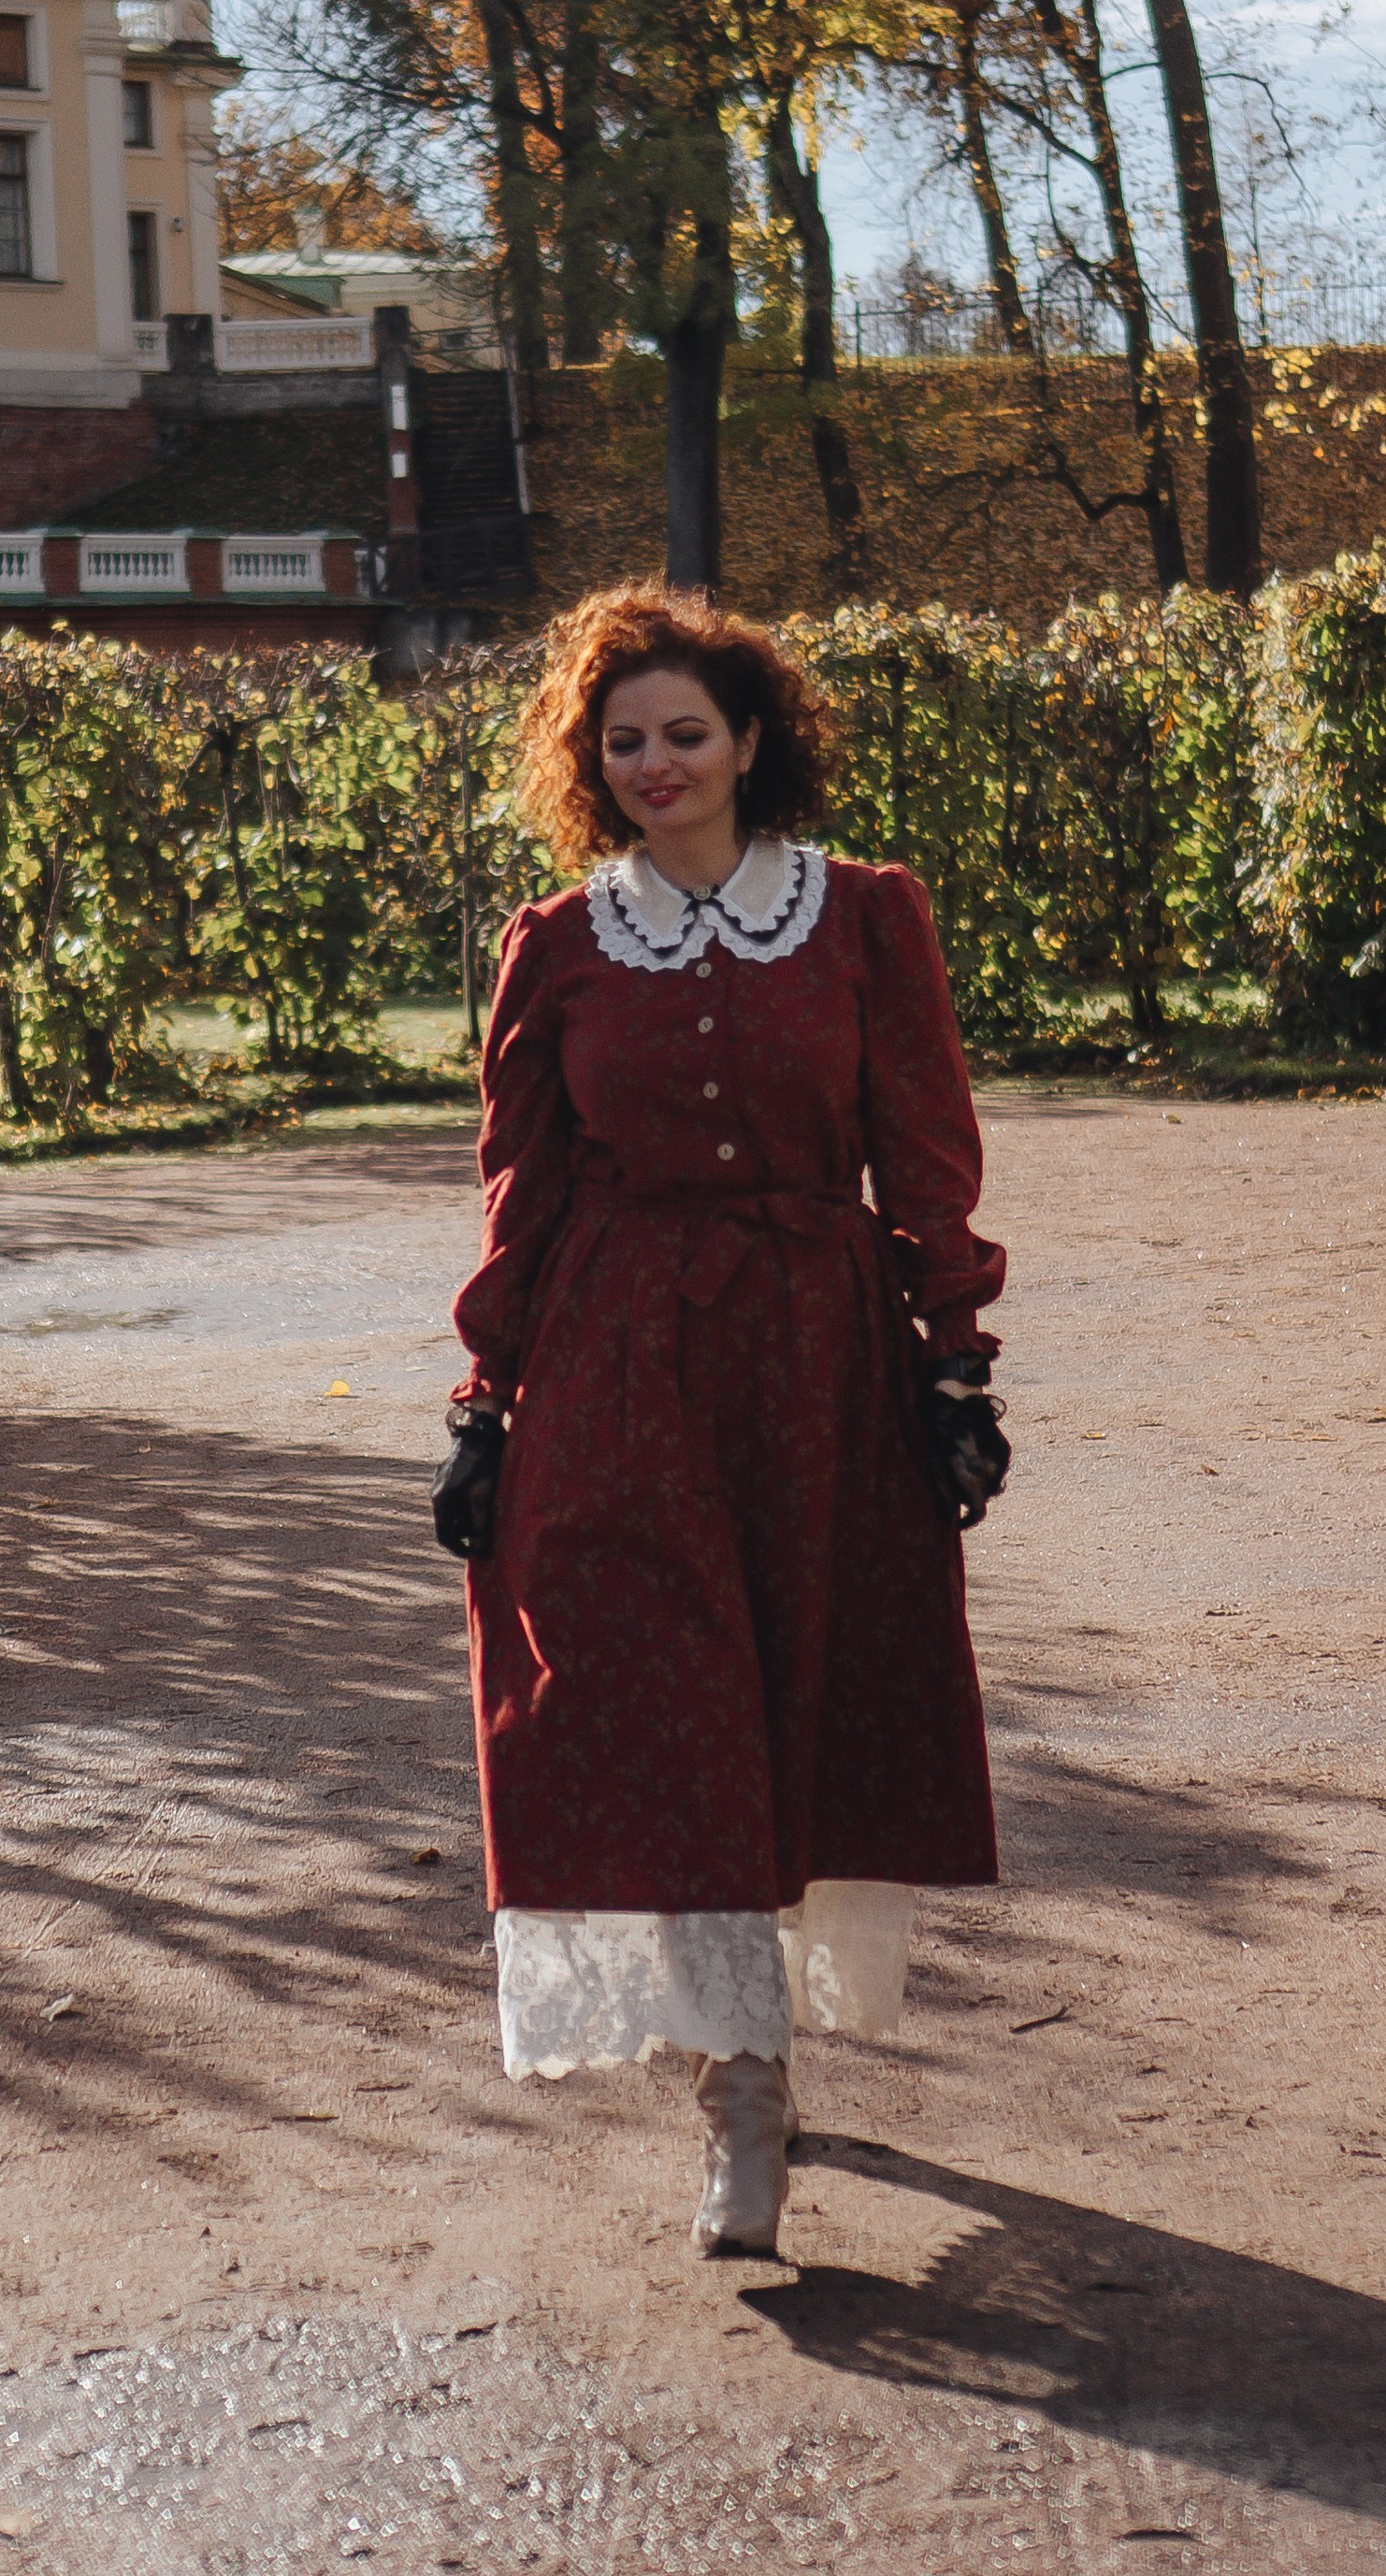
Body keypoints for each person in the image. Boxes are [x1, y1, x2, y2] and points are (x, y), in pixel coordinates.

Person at [432, 586, 1011, 2259]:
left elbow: (922, 1148)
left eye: (686, 732)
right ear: (588, 765)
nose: (656, 763)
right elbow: (521, 1196)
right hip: (622, 1362)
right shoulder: (558, 947)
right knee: (655, 1687)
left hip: (814, 1360)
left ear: (753, 741)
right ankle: (740, 2098)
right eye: (623, 742)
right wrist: (488, 1399)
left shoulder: (862, 921)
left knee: (802, 1696)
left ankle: (758, 2065)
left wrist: (954, 1362)